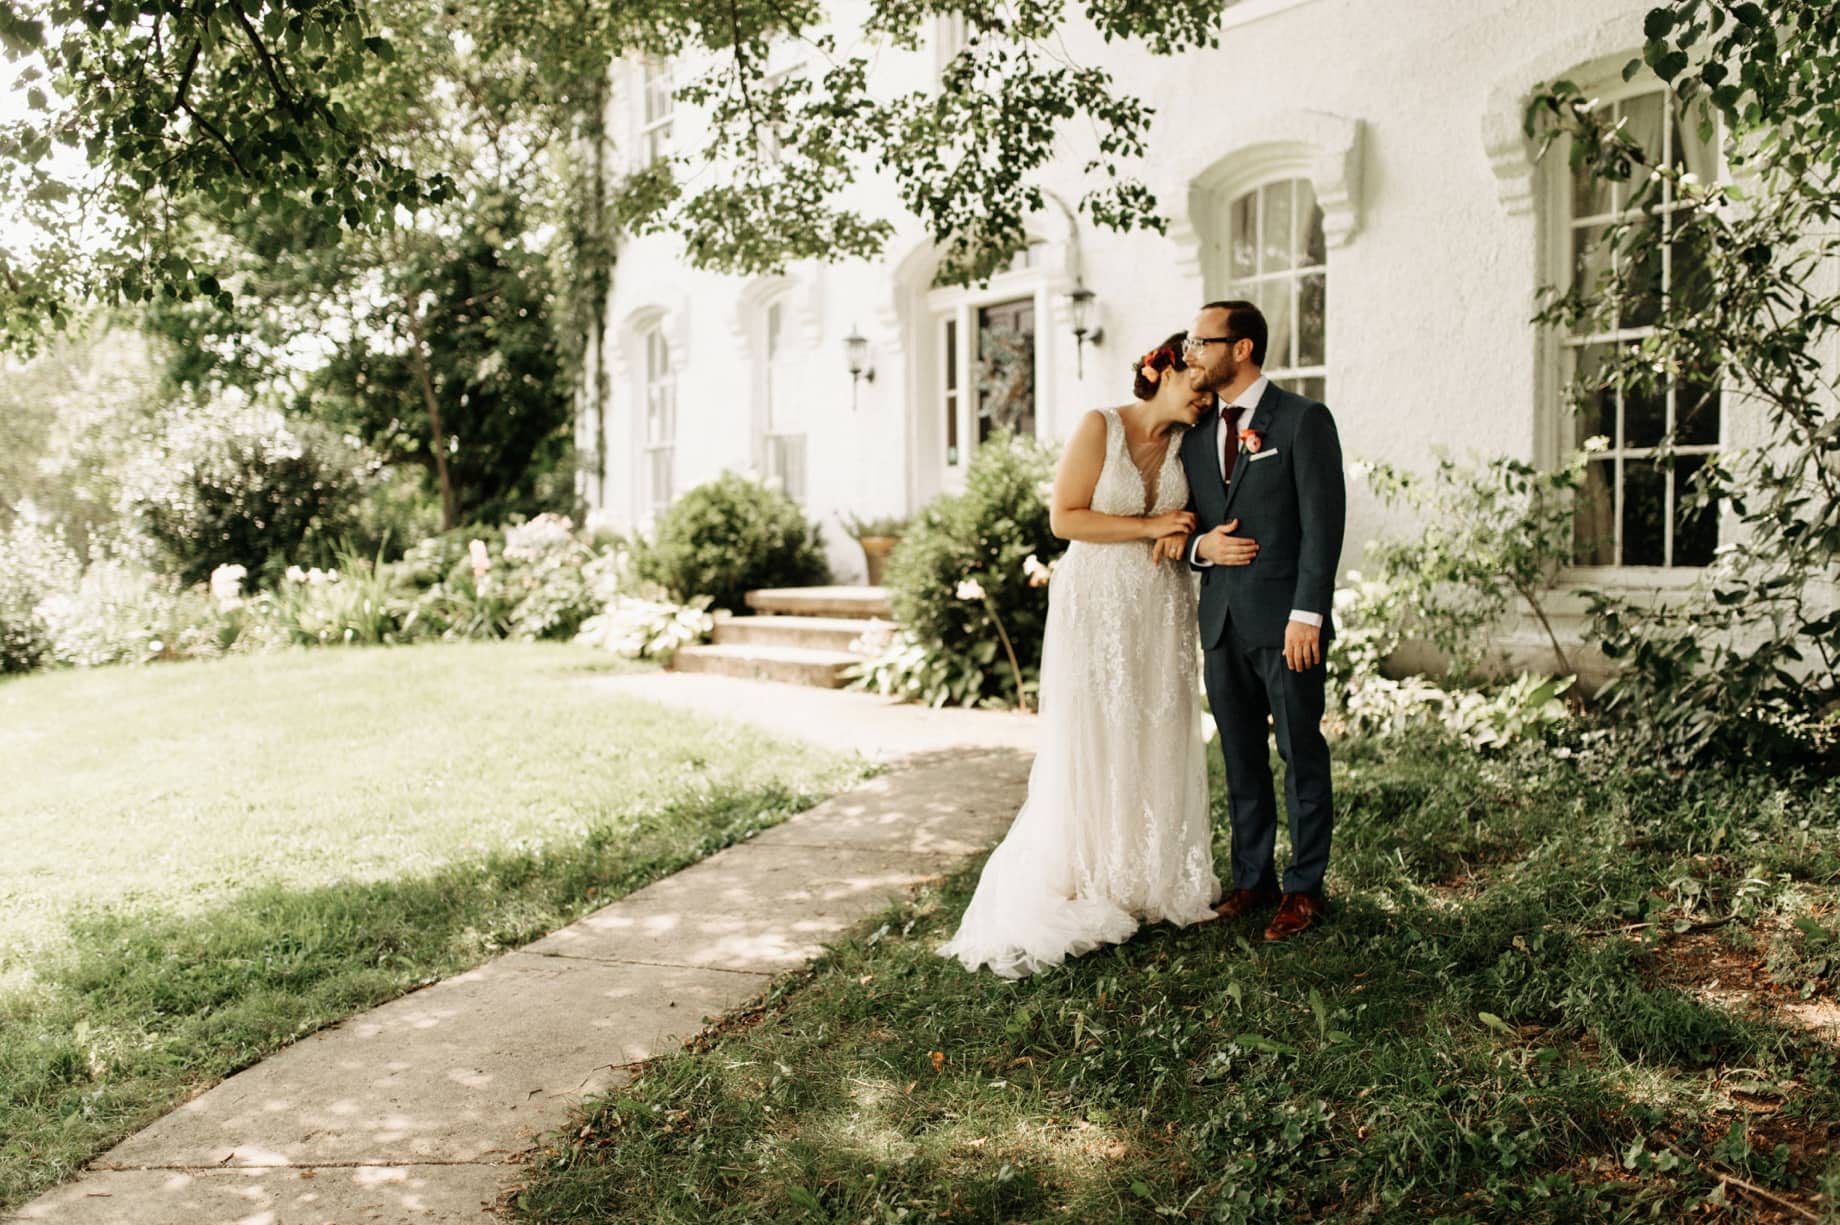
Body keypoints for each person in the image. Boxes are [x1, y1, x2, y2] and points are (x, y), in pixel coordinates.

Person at [939, 333, 1258, 978]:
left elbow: (1195, 514)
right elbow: (1066, 519)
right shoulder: (1100, 426)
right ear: (1163, 371)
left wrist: (1187, 533)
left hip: (1161, 605)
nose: (1206, 399)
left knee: (1156, 727)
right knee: (1094, 730)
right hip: (1095, 600)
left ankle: (1147, 873)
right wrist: (1150, 528)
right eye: (1198, 384)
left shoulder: (1191, 445)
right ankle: (1089, 870)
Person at [1177, 300, 1346, 942]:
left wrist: (1308, 614)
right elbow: (1186, 526)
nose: (1191, 352)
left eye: (1202, 341)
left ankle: (1304, 889)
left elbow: (1323, 526)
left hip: (1286, 623)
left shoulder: (1304, 421)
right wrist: (1200, 551)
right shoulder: (1194, 436)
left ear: (1241, 348)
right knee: (1241, 756)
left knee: (1300, 751)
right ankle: (1254, 878)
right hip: (1220, 620)